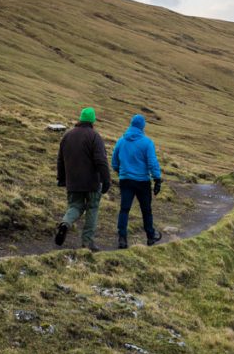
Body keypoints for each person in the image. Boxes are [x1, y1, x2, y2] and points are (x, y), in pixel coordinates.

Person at [55, 107, 111, 251]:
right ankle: (87, 242)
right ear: (92, 121)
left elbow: (61, 160)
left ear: (80, 119)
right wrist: (106, 180)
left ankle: (65, 223)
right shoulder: (94, 136)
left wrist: (61, 179)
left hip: (73, 181)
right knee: (92, 208)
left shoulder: (67, 136)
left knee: (75, 206)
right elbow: (101, 161)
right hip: (92, 182)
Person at [112, 114, 163, 249]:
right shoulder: (147, 143)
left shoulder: (121, 141)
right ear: (142, 127)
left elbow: (114, 161)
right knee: (146, 210)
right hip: (142, 182)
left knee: (124, 209)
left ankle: (122, 238)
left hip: (126, 180)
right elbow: (152, 162)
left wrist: (121, 171)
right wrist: (157, 179)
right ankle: (150, 237)